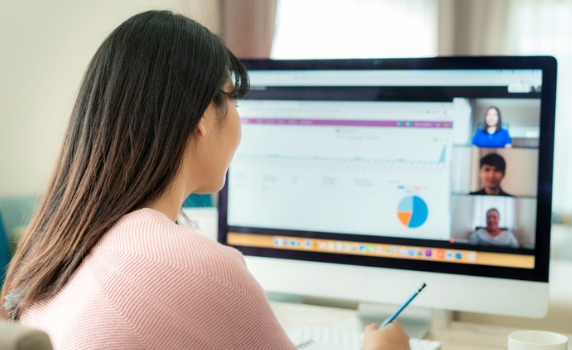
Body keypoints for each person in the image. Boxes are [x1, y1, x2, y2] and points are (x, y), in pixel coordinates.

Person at [0, 11, 409, 350]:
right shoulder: (198, 268)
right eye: (231, 98)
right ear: (199, 117)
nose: (237, 119)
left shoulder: (53, 255)